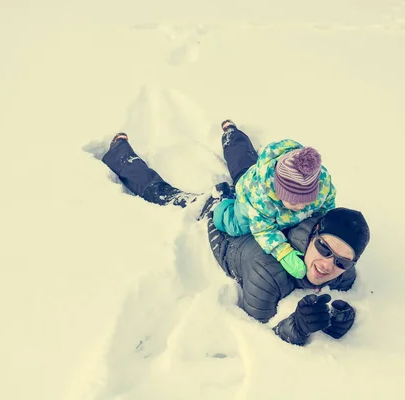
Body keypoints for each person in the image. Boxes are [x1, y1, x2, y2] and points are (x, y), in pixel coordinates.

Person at [101, 124, 371, 346]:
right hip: (225, 221)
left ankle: (232, 133)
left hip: (271, 208)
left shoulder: (340, 263)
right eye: (324, 249)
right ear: (315, 233)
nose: (328, 264)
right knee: (166, 195)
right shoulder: (267, 272)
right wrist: (298, 327)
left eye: (342, 262)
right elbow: (259, 328)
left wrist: (339, 319)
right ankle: (120, 158)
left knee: (246, 173)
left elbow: (344, 278)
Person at [212, 120, 337, 280]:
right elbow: (264, 231)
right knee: (233, 225)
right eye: (294, 202)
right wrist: (283, 252)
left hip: (266, 180)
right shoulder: (261, 199)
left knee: (247, 162)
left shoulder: (322, 184)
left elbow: (327, 205)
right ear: (278, 192)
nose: (301, 207)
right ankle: (231, 134)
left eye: (307, 202)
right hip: (247, 199)